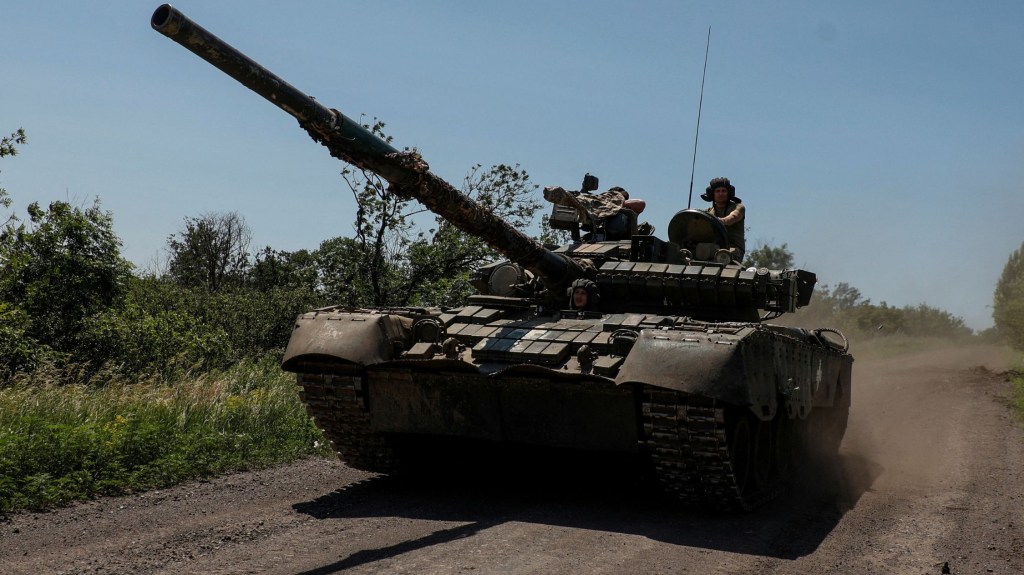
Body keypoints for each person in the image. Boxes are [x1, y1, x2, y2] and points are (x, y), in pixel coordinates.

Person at [701, 176, 745, 262]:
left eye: (723, 191)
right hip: (712, 249)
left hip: (733, 249)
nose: (720, 194)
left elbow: (733, 218)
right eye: (717, 191)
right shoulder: (708, 212)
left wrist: (718, 221)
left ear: (728, 193)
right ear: (712, 194)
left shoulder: (738, 207)